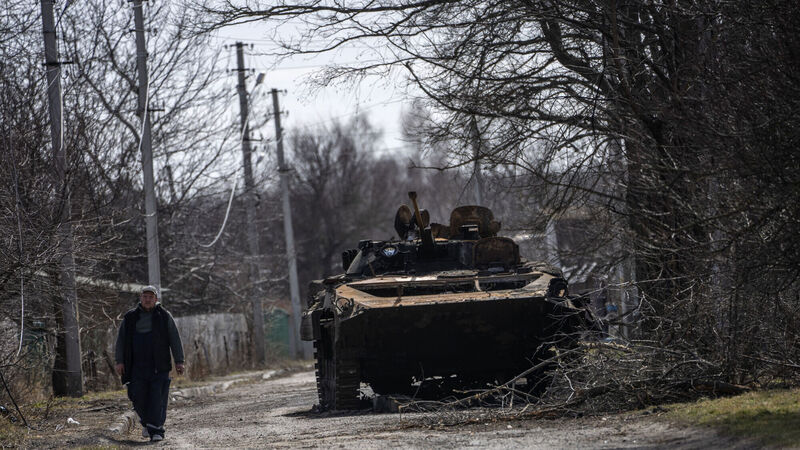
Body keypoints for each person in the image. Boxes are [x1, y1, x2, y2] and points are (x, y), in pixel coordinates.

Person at [115, 285, 185, 442]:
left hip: (159, 365)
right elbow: (121, 340)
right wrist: (119, 361)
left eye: (150, 297)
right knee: (137, 395)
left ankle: (156, 430)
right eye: (145, 297)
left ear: (156, 299)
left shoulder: (164, 316)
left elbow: (174, 338)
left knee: (157, 398)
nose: (147, 300)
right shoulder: (130, 317)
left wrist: (179, 361)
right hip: (136, 366)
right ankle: (147, 423)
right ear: (140, 298)